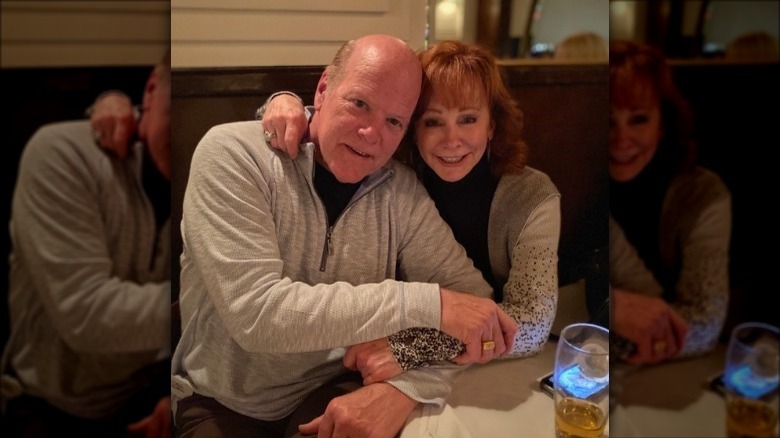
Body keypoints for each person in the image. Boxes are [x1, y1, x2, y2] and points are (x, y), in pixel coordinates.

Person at [171, 34, 517, 438]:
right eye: (359, 104)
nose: (372, 134)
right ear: (323, 88)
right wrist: (431, 303)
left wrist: (406, 388)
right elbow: (258, 314)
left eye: (394, 121)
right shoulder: (232, 154)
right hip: (223, 400)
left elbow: (476, 310)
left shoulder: (399, 190)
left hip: (337, 386)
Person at [256, 39, 560, 381]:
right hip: (379, 360)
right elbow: (348, 114)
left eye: (469, 119)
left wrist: (411, 348)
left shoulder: (531, 196)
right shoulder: (392, 175)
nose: (451, 139)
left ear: (491, 125)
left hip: (483, 358)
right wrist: (284, 104)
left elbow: (532, 324)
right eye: (432, 122)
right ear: (412, 128)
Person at [0, 51, 172, 437]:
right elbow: (87, 311)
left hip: (148, 395)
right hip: (50, 401)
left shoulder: (205, 174)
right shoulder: (61, 153)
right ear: (151, 91)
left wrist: (172, 391)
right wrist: (210, 305)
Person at [609, 40, 731, 365]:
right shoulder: (579, 186)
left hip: (681, 371)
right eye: (607, 121)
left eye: (638, 119)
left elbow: (704, 323)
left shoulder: (703, 195)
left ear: (662, 123)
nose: (620, 139)